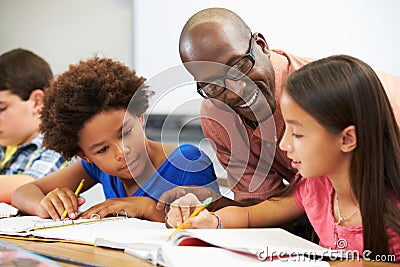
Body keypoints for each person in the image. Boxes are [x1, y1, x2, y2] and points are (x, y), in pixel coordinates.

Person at [156, 7, 400, 210]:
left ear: (261, 45)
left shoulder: (339, 94)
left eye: (239, 66)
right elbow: (265, 206)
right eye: (213, 85)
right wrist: (208, 207)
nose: (234, 90)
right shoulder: (217, 116)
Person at [166, 55, 400, 261]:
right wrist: (212, 222)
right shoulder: (316, 188)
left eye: (297, 133)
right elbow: (250, 215)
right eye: (286, 128)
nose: (284, 144)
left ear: (347, 138)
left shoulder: (393, 210)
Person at [11, 56, 220, 222]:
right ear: (85, 155)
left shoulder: (188, 162)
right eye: (102, 150)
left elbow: (208, 223)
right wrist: (45, 205)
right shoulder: (95, 167)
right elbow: (23, 192)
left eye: (126, 133)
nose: (122, 152)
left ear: (140, 116)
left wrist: (144, 208)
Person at [0, 48, 71, 204]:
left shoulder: (58, 145)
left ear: (37, 102)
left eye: (1, 108)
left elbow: (33, 186)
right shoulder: (5, 145)